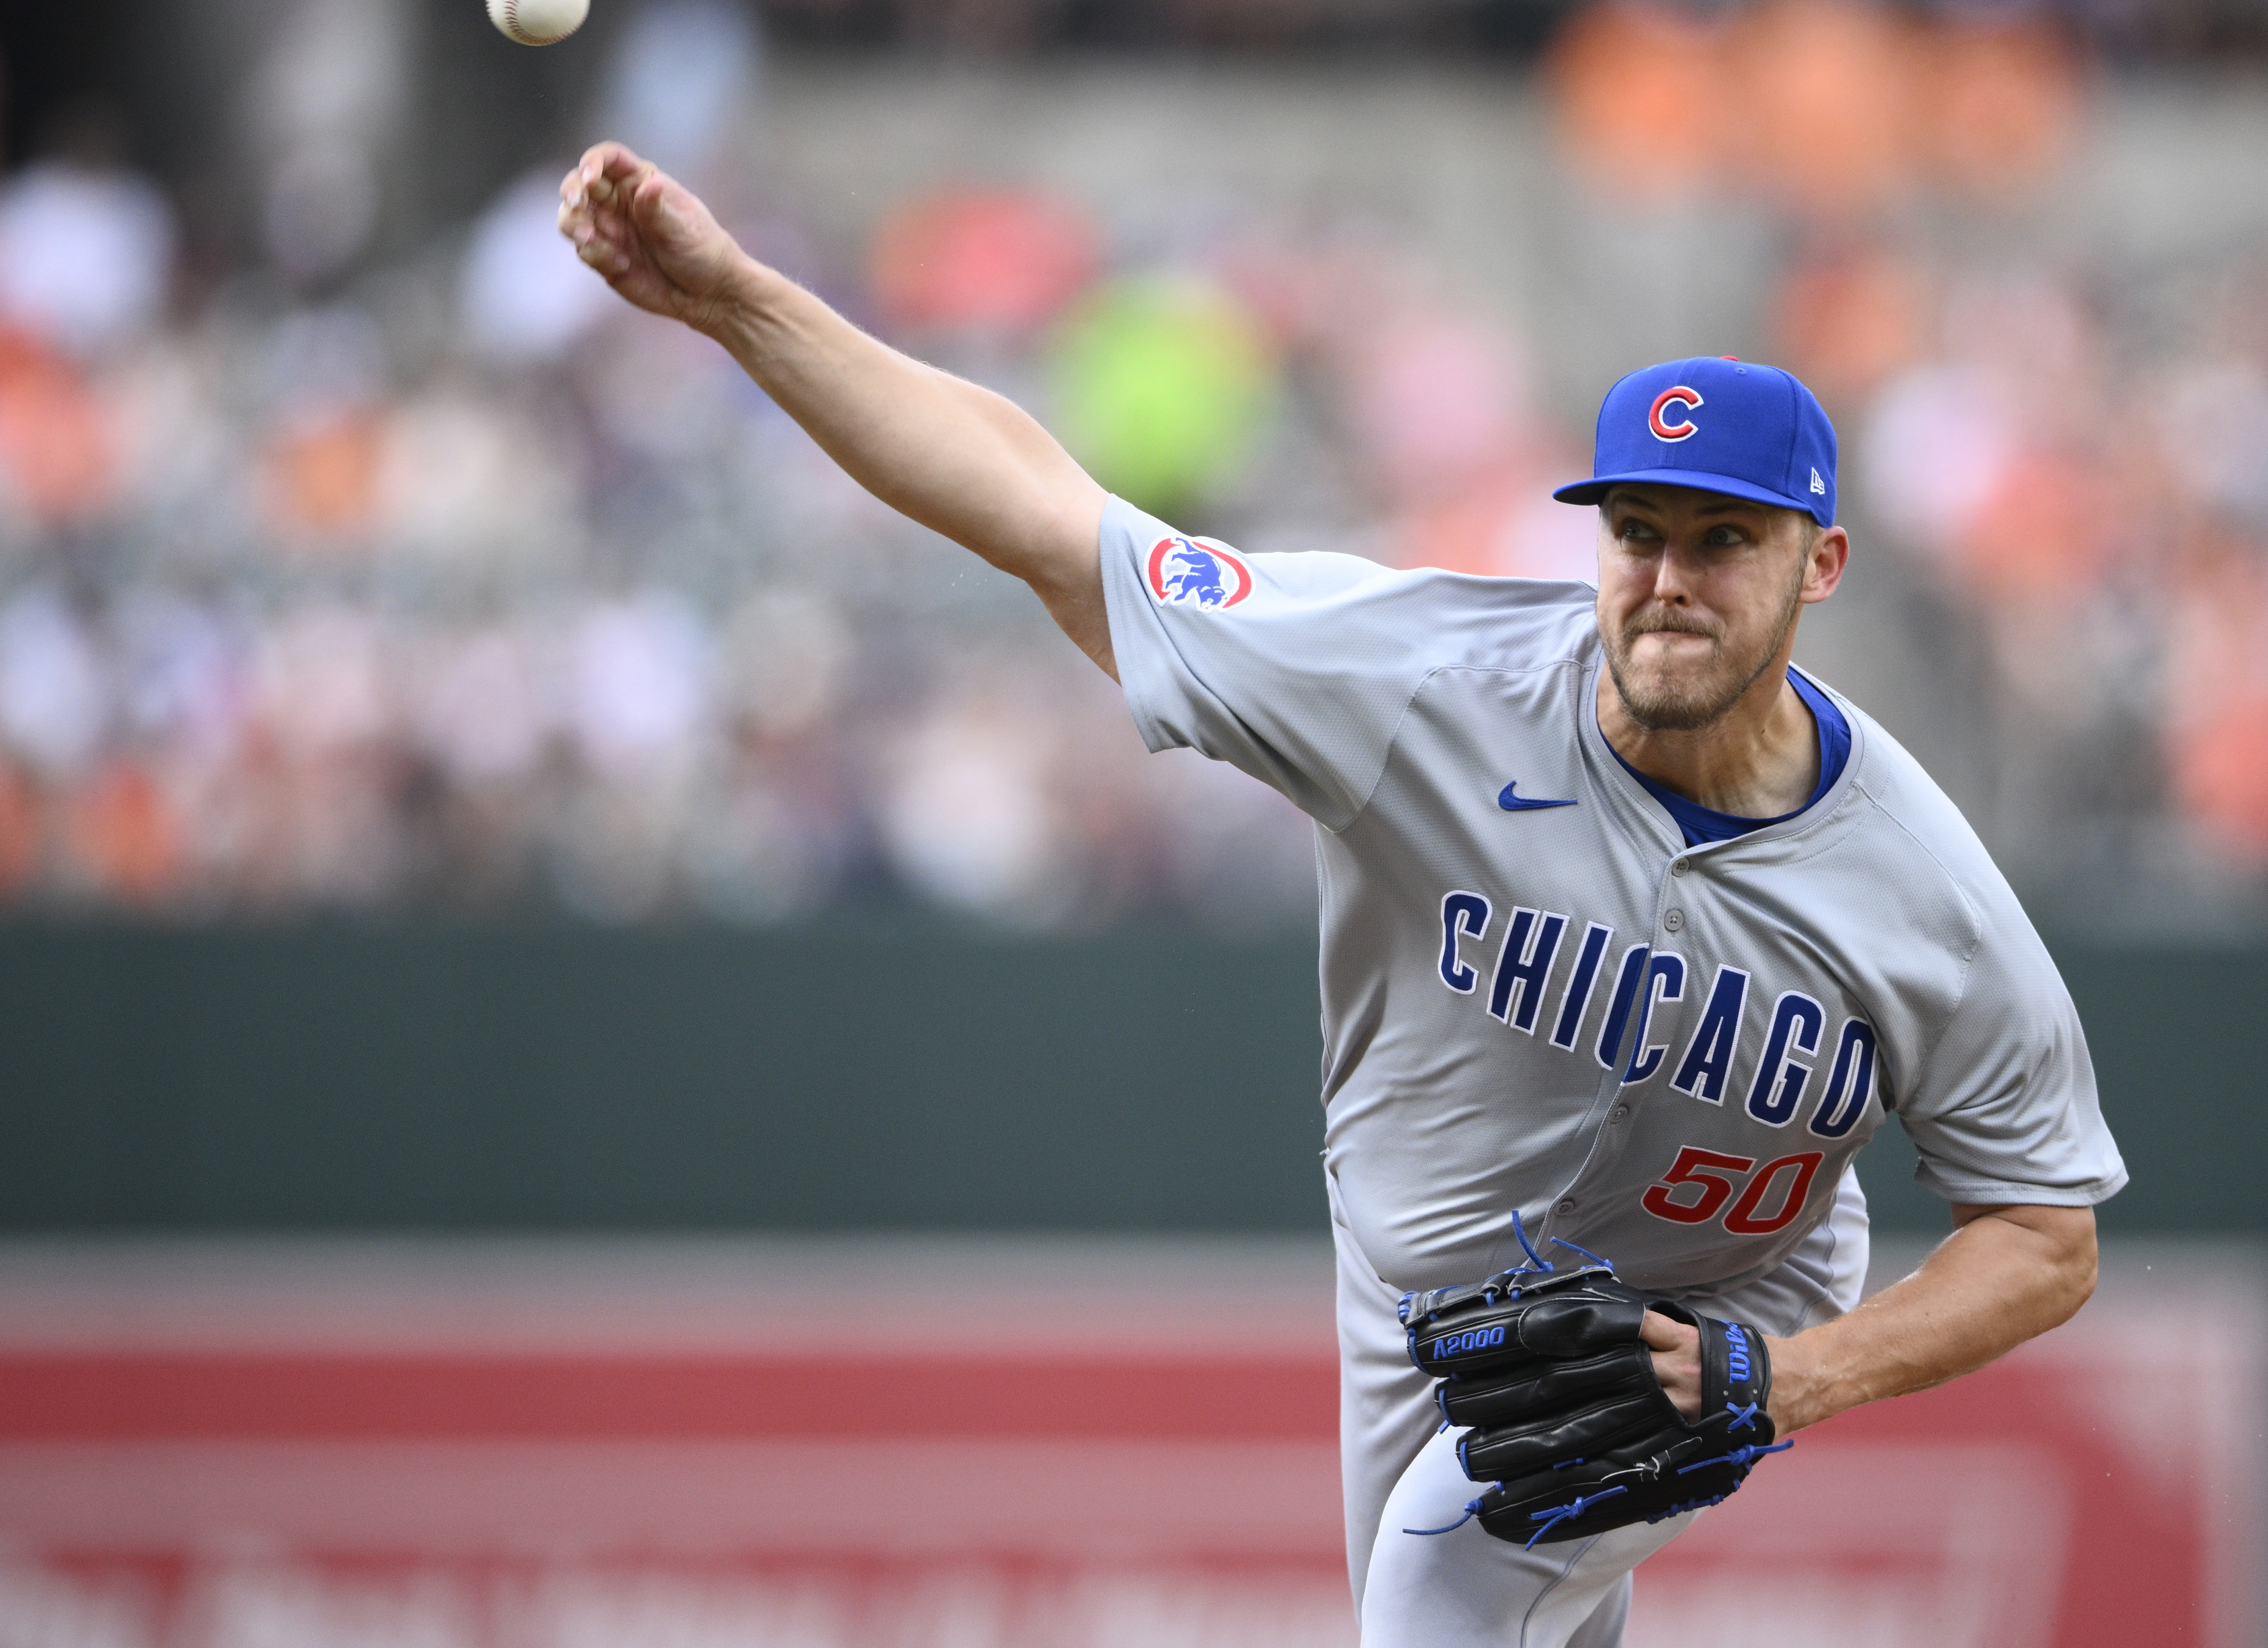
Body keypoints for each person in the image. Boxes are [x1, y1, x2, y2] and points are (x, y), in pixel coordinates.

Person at [557, 141, 2127, 1647]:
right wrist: (737, 302)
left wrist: (1790, 1377)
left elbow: (2045, 1233)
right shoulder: (1418, 679)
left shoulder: (1921, 888)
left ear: (1823, 564)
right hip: (1411, 1279)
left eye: (1726, 541)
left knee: (1448, 1588)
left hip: (1712, 1314)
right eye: (1638, 532)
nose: (1668, 579)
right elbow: (1047, 518)